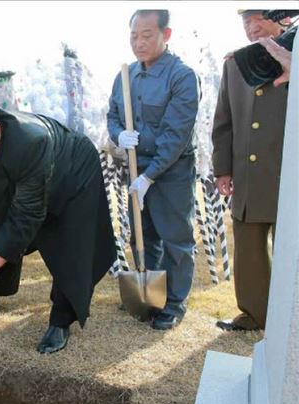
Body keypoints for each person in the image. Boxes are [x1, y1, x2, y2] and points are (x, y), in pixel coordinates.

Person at [0, 95, 116, 354]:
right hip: (15, 179)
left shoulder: (31, 141)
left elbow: (26, 214)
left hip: (72, 175)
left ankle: (61, 320)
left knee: (70, 246)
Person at [107, 9, 199, 330]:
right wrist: (119, 134)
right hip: (136, 167)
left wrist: (150, 176)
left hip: (171, 171)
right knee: (143, 235)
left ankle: (173, 303)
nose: (139, 42)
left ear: (166, 34)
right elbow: (113, 116)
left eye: (147, 35)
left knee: (175, 238)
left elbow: (176, 135)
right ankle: (151, 296)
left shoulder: (182, 77)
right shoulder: (125, 75)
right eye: (134, 35)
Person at [212, 10, 288, 331]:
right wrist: (223, 170)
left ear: (283, 18)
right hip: (248, 176)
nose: (251, 26)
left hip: (287, 175)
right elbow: (224, 121)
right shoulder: (234, 64)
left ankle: (290, 318)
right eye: (246, 21)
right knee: (249, 249)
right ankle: (255, 314)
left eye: (259, 18)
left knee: (290, 251)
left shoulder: (293, 56)